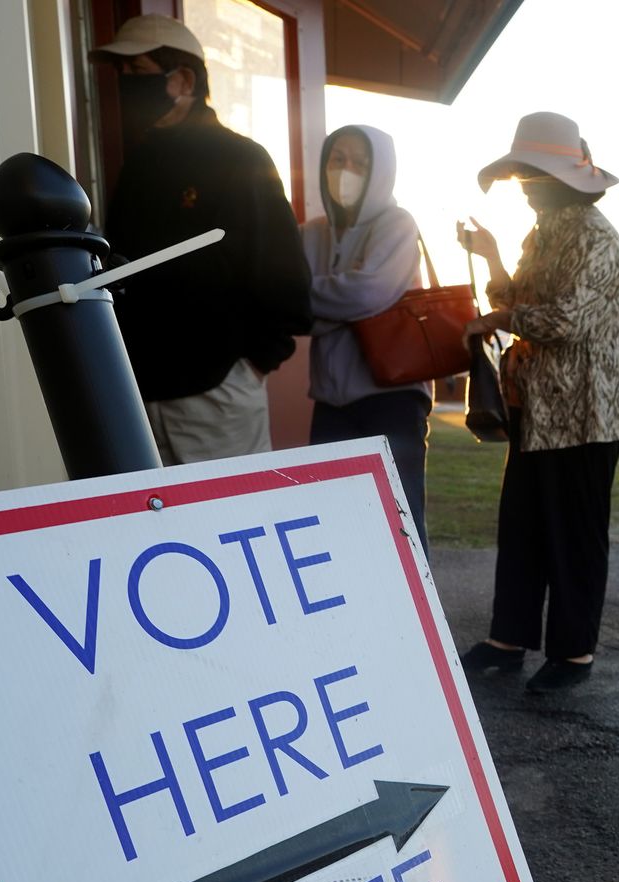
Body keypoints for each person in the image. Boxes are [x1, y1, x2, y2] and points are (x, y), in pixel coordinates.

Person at [455, 113, 619, 691]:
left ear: (564, 177)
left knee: (574, 535)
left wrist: (501, 316)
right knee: (524, 525)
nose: (526, 186)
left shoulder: (595, 235)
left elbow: (567, 320)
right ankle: (509, 639)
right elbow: (519, 298)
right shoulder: (545, 230)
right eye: (523, 174)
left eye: (534, 175)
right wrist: (491, 256)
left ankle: (574, 653)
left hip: (584, 413)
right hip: (537, 411)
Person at [90, 15, 311, 464]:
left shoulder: (240, 158)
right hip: (138, 396)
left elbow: (287, 282)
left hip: (217, 398)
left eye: (138, 73)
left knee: (234, 516)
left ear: (183, 79)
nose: (126, 86)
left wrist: (248, 367)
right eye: (123, 75)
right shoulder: (138, 166)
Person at [300, 125, 433, 549]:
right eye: (337, 159)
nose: (346, 170)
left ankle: (414, 616)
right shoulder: (310, 233)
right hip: (331, 403)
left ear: (381, 170)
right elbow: (295, 307)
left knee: (399, 519)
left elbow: (369, 291)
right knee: (332, 522)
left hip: (391, 397)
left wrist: (319, 303)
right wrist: (343, 305)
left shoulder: (397, 223)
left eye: (360, 162)